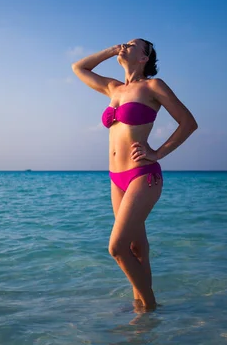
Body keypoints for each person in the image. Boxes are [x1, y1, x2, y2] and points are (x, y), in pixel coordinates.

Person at [71, 39, 198, 311]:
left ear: (145, 57)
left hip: (143, 174)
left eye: (132, 44)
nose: (125, 46)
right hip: (116, 179)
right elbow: (78, 67)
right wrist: (109, 51)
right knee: (137, 249)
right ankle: (142, 314)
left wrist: (158, 152)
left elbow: (188, 123)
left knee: (117, 248)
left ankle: (150, 308)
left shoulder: (153, 86)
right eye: (124, 43)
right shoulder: (112, 88)